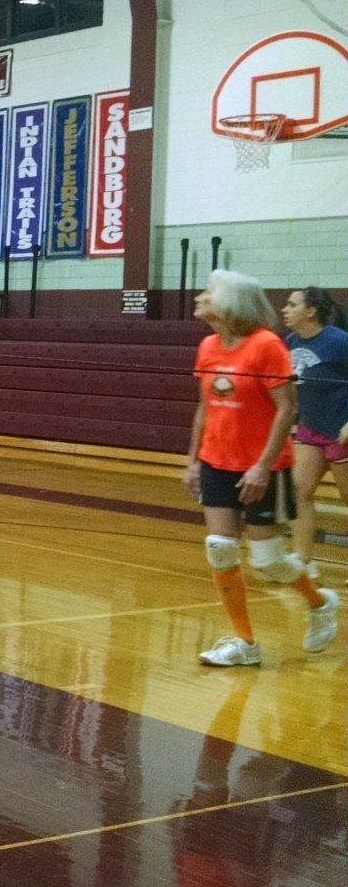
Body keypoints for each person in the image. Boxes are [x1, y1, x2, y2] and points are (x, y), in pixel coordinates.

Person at [183, 270, 338, 666]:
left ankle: (319, 603)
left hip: (263, 467)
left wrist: (262, 466)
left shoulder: (266, 346)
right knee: (220, 550)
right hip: (218, 462)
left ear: (232, 302)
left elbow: (287, 409)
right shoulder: (207, 346)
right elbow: (205, 406)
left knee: (267, 559)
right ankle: (244, 643)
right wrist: (195, 459)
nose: (200, 297)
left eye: (209, 293)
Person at [283, 286, 348, 571]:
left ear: (310, 311)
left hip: (340, 429)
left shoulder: (339, 341)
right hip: (310, 427)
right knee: (299, 491)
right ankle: (302, 560)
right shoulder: (291, 340)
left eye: (292, 304)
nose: (285, 309)